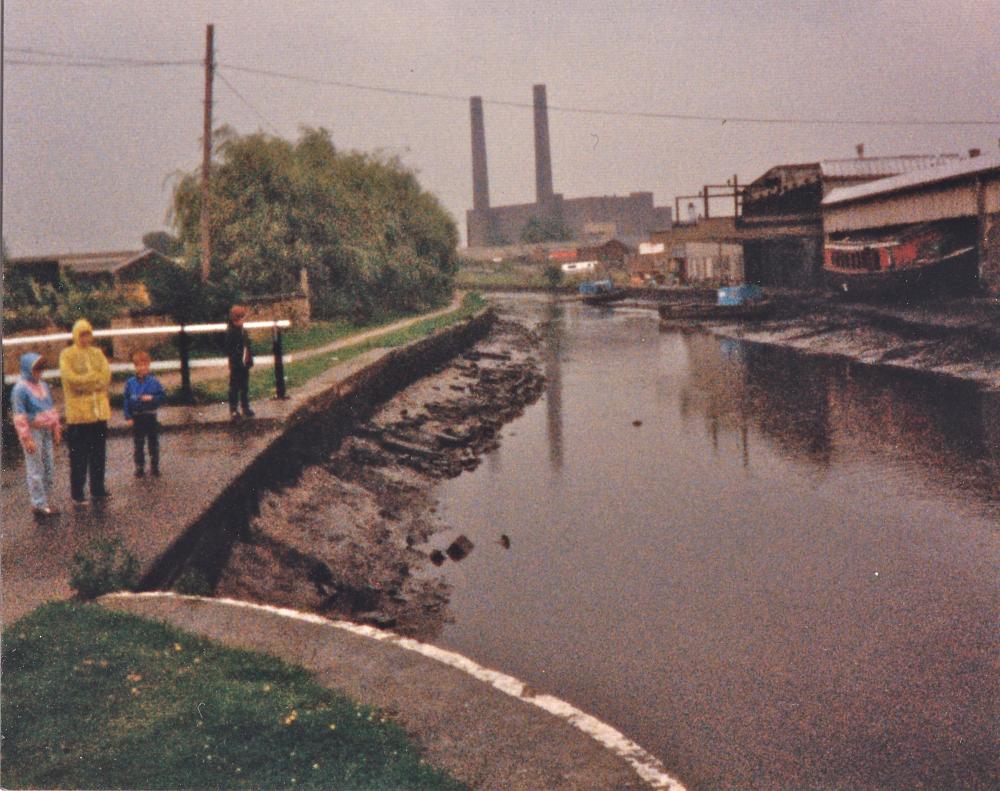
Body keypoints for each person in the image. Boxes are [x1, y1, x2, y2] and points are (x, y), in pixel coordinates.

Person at [59, 318, 112, 505]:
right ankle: (77, 493)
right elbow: (71, 380)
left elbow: (105, 376)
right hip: (79, 416)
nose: (85, 338)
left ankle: (98, 488)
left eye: (87, 334)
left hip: (99, 414)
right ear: (75, 335)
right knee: (79, 455)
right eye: (81, 335)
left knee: (99, 453)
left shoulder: (97, 353)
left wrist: (89, 381)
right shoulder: (67, 355)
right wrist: (92, 380)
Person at [11, 353, 62, 518]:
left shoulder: (44, 386)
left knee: (49, 466)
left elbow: (50, 408)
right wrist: (26, 438)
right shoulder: (20, 389)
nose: (40, 372)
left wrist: (56, 428)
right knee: (35, 468)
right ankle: (38, 503)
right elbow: (19, 416)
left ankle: (44, 500)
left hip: (47, 430)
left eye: (41, 368)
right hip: (34, 431)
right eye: (36, 368)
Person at [123, 350, 166, 478]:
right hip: (137, 416)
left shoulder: (154, 382)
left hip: (150, 415)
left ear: (149, 366)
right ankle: (139, 467)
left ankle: (155, 466)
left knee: (153, 442)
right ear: (135, 367)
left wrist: (152, 398)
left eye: (145, 365)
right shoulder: (130, 383)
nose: (142, 368)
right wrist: (128, 416)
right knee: (138, 443)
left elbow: (162, 396)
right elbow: (126, 400)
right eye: (139, 365)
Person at [224, 305, 255, 419]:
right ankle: (233, 409)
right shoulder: (231, 332)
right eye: (240, 319)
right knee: (234, 387)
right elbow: (229, 348)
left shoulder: (243, 331)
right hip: (236, 363)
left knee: (244, 386)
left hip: (244, 362)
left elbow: (247, 345)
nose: (242, 321)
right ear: (234, 319)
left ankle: (245, 407)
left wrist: (248, 359)